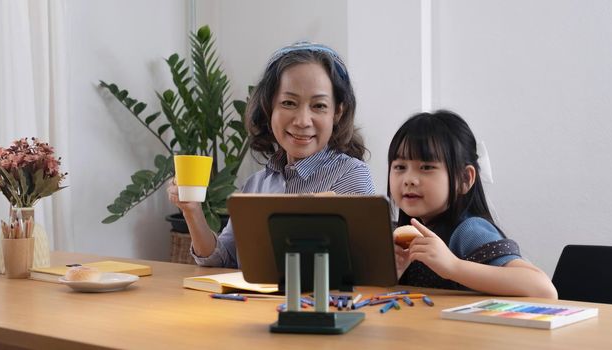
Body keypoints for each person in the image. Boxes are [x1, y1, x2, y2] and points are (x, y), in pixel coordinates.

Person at [168, 42, 376, 268]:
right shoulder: (256, 185)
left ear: (337, 112)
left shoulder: (351, 175)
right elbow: (222, 259)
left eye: (318, 106)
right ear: (269, 108)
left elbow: (359, 268)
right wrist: (192, 211)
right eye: (289, 103)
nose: (302, 121)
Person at [389, 110, 557, 298]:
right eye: (399, 167)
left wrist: (453, 266)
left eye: (427, 167)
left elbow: (544, 289)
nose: (409, 179)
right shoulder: (402, 233)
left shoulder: (469, 231)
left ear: (464, 179)